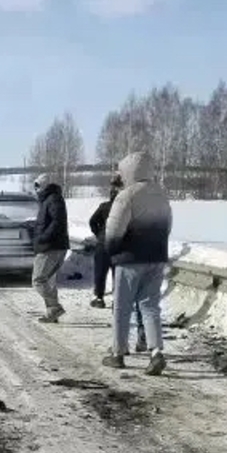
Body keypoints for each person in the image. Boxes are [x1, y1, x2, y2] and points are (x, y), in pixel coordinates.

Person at [102, 152, 172, 375]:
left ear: (128, 172)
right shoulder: (162, 195)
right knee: (150, 306)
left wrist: (111, 251)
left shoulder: (126, 196)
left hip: (130, 259)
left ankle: (118, 353)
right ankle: (156, 353)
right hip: (156, 257)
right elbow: (167, 227)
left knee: (122, 307)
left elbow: (114, 231)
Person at [29, 172, 70, 322]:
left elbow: (57, 222)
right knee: (49, 280)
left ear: (44, 185)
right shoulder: (50, 199)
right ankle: (51, 313)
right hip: (53, 246)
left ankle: (54, 307)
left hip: (50, 247)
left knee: (38, 280)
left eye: (37, 186)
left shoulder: (52, 199)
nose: (36, 189)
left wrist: (42, 238)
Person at [87, 175, 123, 308]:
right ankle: (117, 300)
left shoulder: (104, 206)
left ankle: (99, 298)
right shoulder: (126, 209)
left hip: (103, 244)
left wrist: (99, 233)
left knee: (100, 272)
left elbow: (92, 221)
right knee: (118, 273)